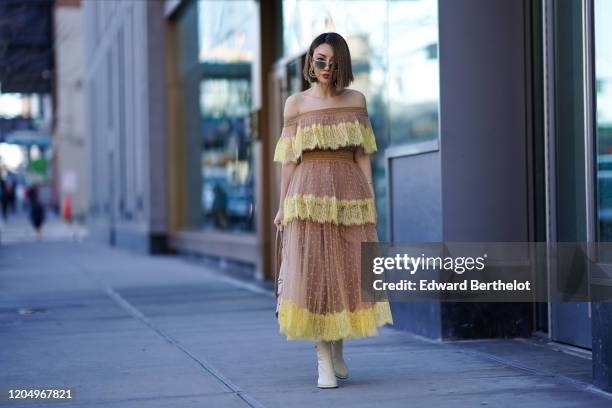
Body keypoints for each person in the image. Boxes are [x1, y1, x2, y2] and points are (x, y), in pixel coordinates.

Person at [273, 32, 393, 389]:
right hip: (307, 195)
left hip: (349, 196)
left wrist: (370, 199)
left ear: (342, 64)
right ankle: (323, 358)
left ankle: (337, 346)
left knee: (343, 271)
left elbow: (362, 155)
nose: (325, 67)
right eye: (319, 60)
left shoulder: (356, 100)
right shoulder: (295, 104)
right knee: (314, 274)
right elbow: (289, 161)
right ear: (310, 61)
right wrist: (282, 207)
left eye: (332, 61)